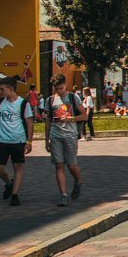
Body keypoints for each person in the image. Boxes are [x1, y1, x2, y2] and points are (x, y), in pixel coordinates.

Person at [44, 74, 86, 207]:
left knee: (71, 164)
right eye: (57, 89)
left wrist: (70, 119)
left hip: (70, 135)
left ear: (65, 85)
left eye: (61, 88)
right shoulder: (50, 100)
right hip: (55, 135)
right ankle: (63, 194)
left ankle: (78, 180)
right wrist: (46, 140)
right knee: (59, 164)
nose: (59, 91)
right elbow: (48, 121)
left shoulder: (73, 98)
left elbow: (84, 115)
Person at [0, 77, 33, 206]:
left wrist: (29, 141)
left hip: (17, 140)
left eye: (2, 89)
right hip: (1, 139)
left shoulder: (23, 104)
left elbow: (29, 123)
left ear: (11, 89)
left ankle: (15, 194)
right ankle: (9, 182)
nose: (0, 91)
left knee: (17, 166)